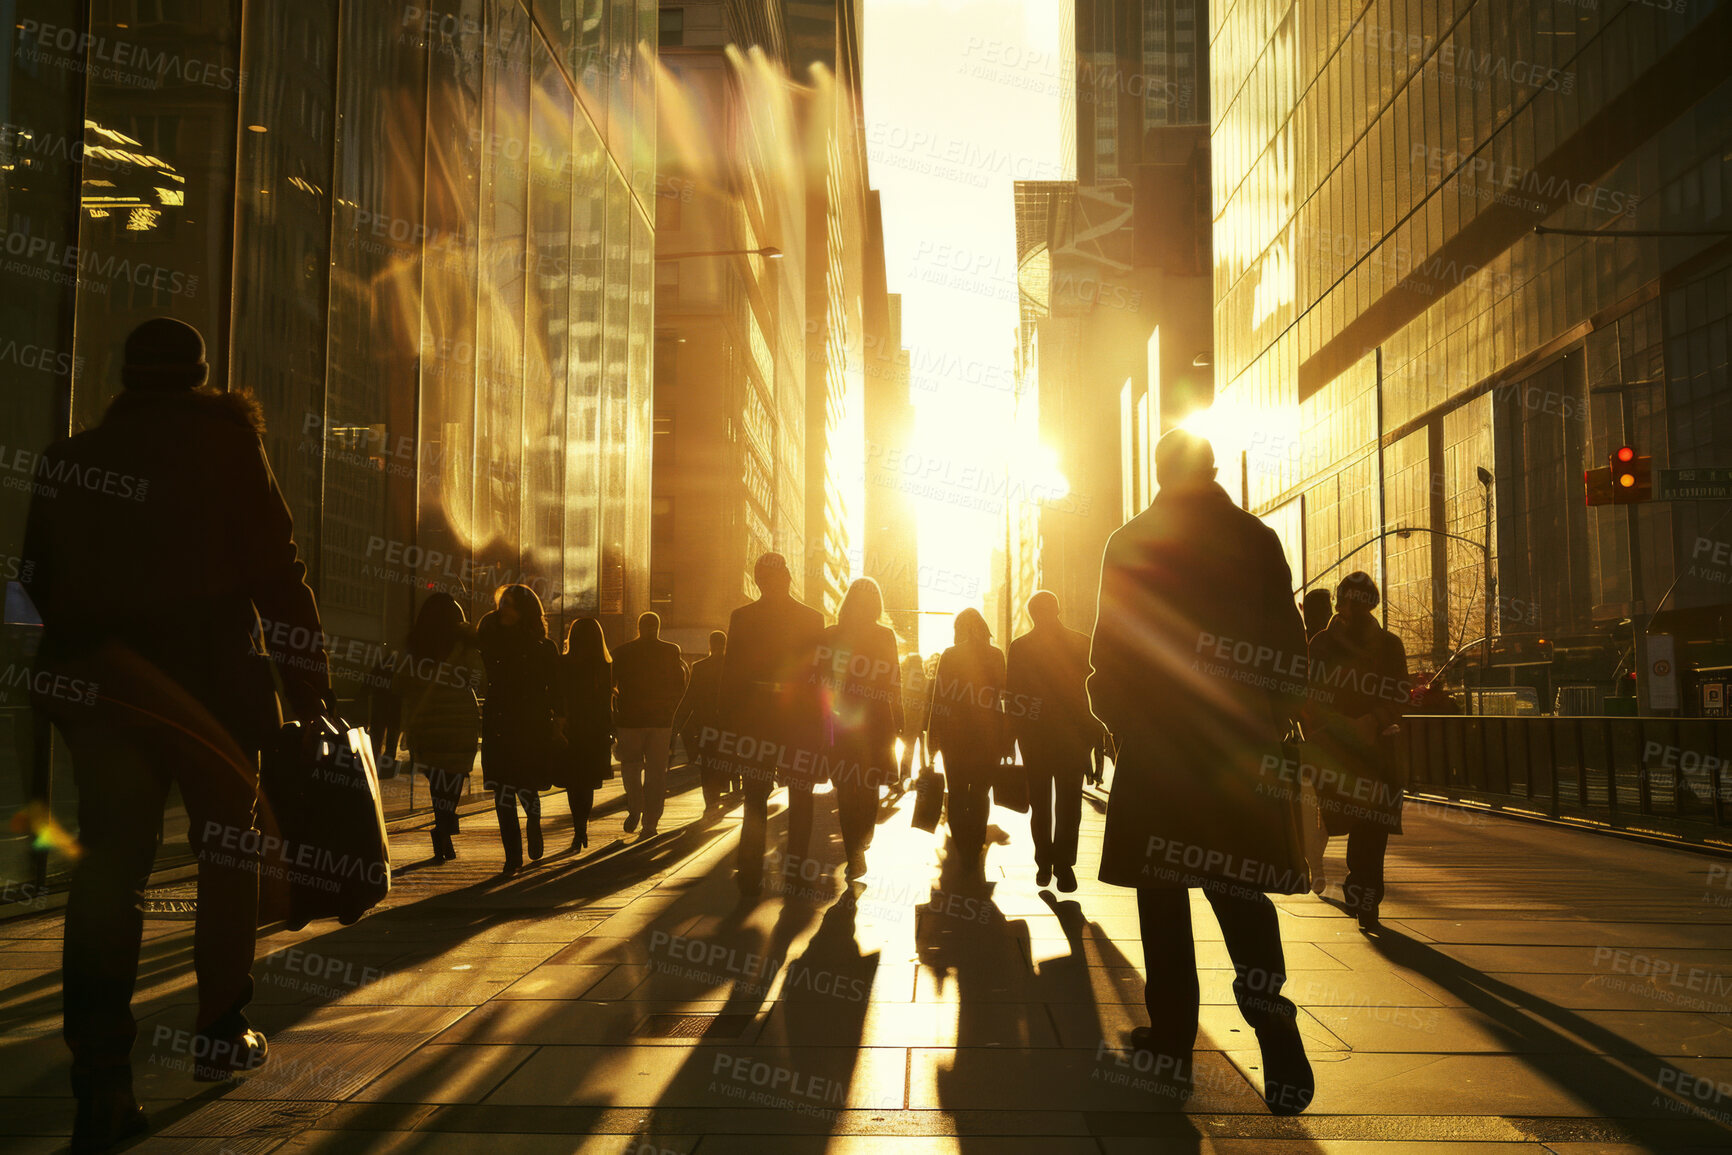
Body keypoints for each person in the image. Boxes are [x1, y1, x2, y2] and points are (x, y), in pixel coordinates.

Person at [19, 317, 330, 1150]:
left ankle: (101, 1079)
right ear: (198, 378)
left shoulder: (69, 460)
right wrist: (310, 691)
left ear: (126, 379)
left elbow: (35, 583)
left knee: (107, 872)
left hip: (111, 694)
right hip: (215, 695)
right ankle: (219, 1029)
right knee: (227, 854)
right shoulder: (230, 450)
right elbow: (279, 576)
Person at [1087, 428, 1314, 1115]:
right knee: (1241, 890)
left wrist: (1125, 725)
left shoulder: (1130, 541)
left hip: (1160, 752)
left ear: (1158, 473)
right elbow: (1289, 649)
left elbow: (1109, 660)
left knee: (1162, 901)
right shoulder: (1257, 539)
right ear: (1213, 470)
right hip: (1236, 749)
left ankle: (1174, 1044)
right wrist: (1271, 721)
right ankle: (1269, 1015)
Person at [1305, 571, 1411, 932]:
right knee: (1363, 827)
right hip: (1365, 749)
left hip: (1356, 751)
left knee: (1364, 825)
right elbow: (1399, 694)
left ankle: (1363, 897)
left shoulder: (1324, 644)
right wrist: (1368, 722)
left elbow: (1311, 697)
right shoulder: (1384, 644)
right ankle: (1364, 896)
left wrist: (1354, 723)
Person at [719, 552, 825, 897]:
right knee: (801, 796)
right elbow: (819, 678)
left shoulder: (742, 617)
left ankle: (751, 869)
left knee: (754, 796)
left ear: (757, 580)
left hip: (756, 721)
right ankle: (795, 872)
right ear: (789, 577)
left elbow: (731, 677)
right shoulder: (812, 619)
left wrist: (728, 727)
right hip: (798, 720)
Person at [1006, 590, 1099, 893]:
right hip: (1072, 738)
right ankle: (1064, 865)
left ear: (1032, 614)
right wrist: (1094, 739)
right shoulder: (1081, 643)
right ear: (1057, 610)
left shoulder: (1020, 647)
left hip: (1035, 739)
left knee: (1040, 804)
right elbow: (1089, 697)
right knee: (1070, 805)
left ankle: (1044, 862)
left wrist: (1012, 737)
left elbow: (1013, 697)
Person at [817, 578, 903, 879]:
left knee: (844, 786)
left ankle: (854, 847)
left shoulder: (831, 634)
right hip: (876, 720)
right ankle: (863, 840)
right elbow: (894, 681)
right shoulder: (885, 635)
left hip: (840, 721)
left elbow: (821, 679)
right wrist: (900, 719)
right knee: (869, 785)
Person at [393, 593, 484, 862]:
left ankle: (443, 828)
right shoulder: (464, 647)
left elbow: (402, 683)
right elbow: (478, 677)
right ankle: (444, 828)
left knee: (437, 783)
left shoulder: (416, 647)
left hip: (427, 723)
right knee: (454, 780)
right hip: (458, 724)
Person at [476, 584, 560, 875]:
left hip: (529, 724)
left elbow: (555, 689)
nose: (503, 610)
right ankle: (512, 856)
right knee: (502, 790)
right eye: (502, 604)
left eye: (510, 605)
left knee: (525, 786)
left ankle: (533, 824)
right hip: (499, 722)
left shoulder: (542, 648)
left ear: (524, 610)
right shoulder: (493, 639)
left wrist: (556, 721)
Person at [927, 608, 1007, 871]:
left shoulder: (951, 655)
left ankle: (962, 845)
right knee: (981, 793)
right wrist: (1006, 739)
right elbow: (1004, 699)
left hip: (955, 737)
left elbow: (939, 698)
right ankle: (975, 843)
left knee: (958, 793)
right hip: (988, 736)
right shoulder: (996, 656)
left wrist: (933, 738)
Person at [610, 611, 687, 838]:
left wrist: (615, 713)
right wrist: (673, 714)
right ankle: (650, 823)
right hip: (660, 722)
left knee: (631, 768)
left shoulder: (622, 652)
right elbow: (679, 687)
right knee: (656, 773)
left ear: (639, 627)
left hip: (630, 721)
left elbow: (610, 686)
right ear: (658, 627)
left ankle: (635, 806)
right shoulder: (671, 651)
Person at [557, 617, 616, 852]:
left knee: (574, 782)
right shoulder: (603, 664)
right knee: (589, 781)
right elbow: (605, 701)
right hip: (595, 729)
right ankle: (583, 826)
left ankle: (577, 826)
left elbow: (559, 695)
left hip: (572, 728)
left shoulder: (563, 663)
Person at [673, 630, 729, 813]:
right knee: (725, 760)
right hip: (727, 725)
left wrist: (676, 724)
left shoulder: (699, 667)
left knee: (708, 763)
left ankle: (710, 800)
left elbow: (690, 697)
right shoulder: (732, 667)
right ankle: (722, 791)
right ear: (725, 644)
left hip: (705, 724)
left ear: (710, 645)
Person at [897, 652, 930, 787]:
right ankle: (925, 774)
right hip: (924, 720)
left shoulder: (906, 681)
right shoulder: (926, 680)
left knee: (908, 749)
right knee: (924, 750)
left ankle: (903, 778)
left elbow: (902, 700)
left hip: (910, 720)